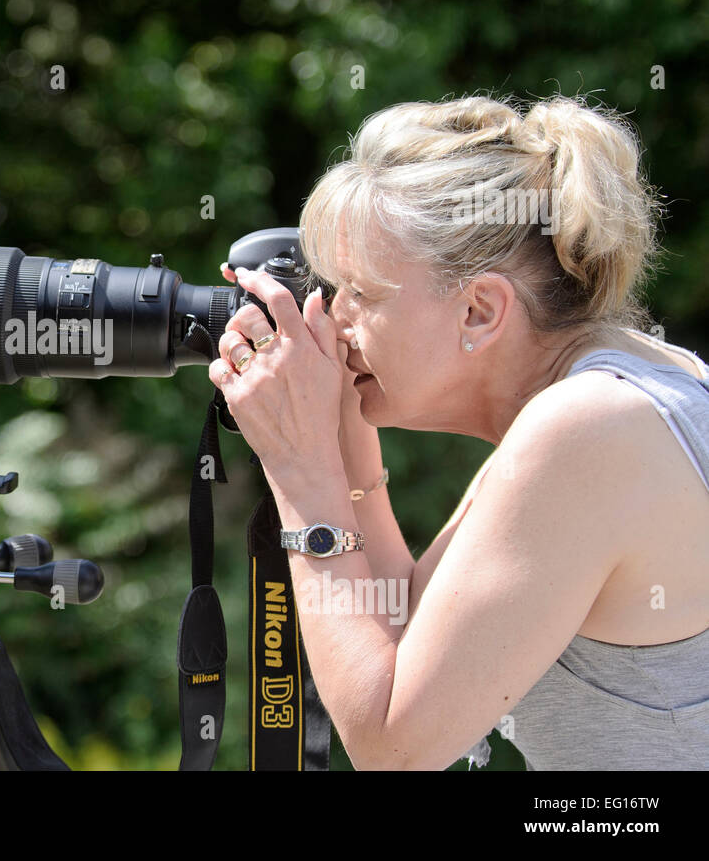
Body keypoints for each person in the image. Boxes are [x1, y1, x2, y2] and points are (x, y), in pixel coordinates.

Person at [210, 94, 709, 770]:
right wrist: (338, 439)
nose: (333, 316)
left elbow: (394, 747)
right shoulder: (631, 383)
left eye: (362, 293)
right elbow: (409, 636)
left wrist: (302, 472)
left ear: (479, 310)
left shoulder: (586, 428)